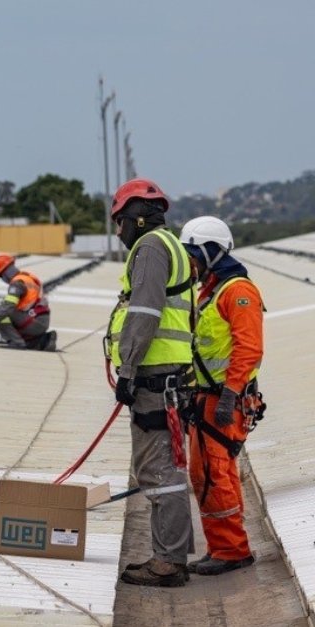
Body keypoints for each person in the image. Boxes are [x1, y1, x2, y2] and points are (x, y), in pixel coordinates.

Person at [104, 178, 197, 587]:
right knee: (163, 468)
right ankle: (170, 556)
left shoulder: (152, 247)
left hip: (154, 378)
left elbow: (144, 312)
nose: (119, 231)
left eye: (119, 222)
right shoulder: (171, 244)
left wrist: (128, 371)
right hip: (166, 376)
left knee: (161, 472)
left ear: (136, 218)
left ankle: (169, 562)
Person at [180, 216, 263, 576]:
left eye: (193, 254)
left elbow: (249, 349)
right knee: (210, 472)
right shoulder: (212, 290)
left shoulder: (237, 291)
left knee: (213, 474)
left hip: (224, 400)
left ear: (210, 251)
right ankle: (225, 546)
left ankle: (231, 550)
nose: (191, 263)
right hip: (208, 398)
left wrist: (229, 395)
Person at [0, 254, 55, 351]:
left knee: (1, 312)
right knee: (3, 310)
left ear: (5, 273)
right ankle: (32, 342)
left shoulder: (17, 284)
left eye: (0, 276)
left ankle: (16, 342)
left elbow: (8, 308)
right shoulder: (26, 277)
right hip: (39, 320)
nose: (2, 279)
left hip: (34, 323)